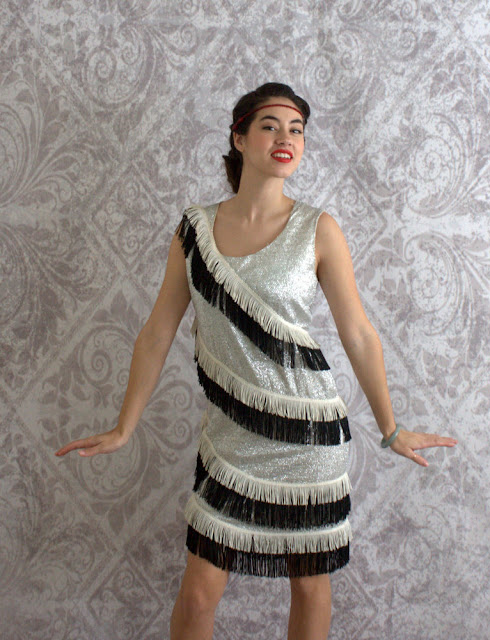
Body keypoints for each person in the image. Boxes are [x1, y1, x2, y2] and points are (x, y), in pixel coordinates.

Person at [55, 82, 458, 640]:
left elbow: (360, 335)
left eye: (297, 130)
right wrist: (125, 426)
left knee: (309, 584)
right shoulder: (193, 229)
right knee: (199, 593)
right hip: (231, 436)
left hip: (309, 436)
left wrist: (391, 429)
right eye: (270, 126)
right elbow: (156, 333)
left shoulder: (319, 228)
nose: (285, 138)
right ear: (239, 138)